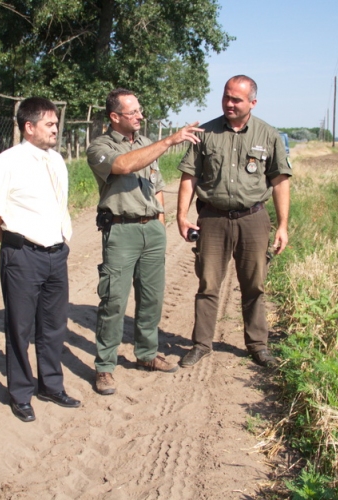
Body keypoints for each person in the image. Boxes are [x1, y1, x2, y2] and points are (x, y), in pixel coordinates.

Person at [86, 88, 203, 395]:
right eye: (133, 112)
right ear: (115, 117)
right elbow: (124, 166)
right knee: (113, 300)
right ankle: (105, 367)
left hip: (151, 228)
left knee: (151, 297)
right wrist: (169, 141)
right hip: (121, 231)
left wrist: (161, 222)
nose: (140, 116)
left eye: (140, 110)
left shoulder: (145, 144)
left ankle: (147, 354)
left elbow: (157, 184)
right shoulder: (100, 146)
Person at [176, 75, 292, 369]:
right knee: (208, 284)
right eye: (226, 97)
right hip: (212, 219)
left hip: (253, 219)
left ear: (252, 102)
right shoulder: (206, 133)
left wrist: (282, 225)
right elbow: (189, 176)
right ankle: (201, 344)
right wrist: (181, 215)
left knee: (254, 285)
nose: (229, 103)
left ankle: (258, 345)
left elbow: (279, 181)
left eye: (236, 99)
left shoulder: (268, 135)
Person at [0, 97, 80, 423]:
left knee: (52, 327)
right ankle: (21, 393)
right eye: (49, 124)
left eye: (55, 123)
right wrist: (14, 244)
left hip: (55, 254)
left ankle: (50, 385)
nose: (56, 129)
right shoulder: (8, 161)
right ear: (29, 127)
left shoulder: (57, 160)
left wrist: (61, 240)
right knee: (19, 329)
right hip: (22, 255)